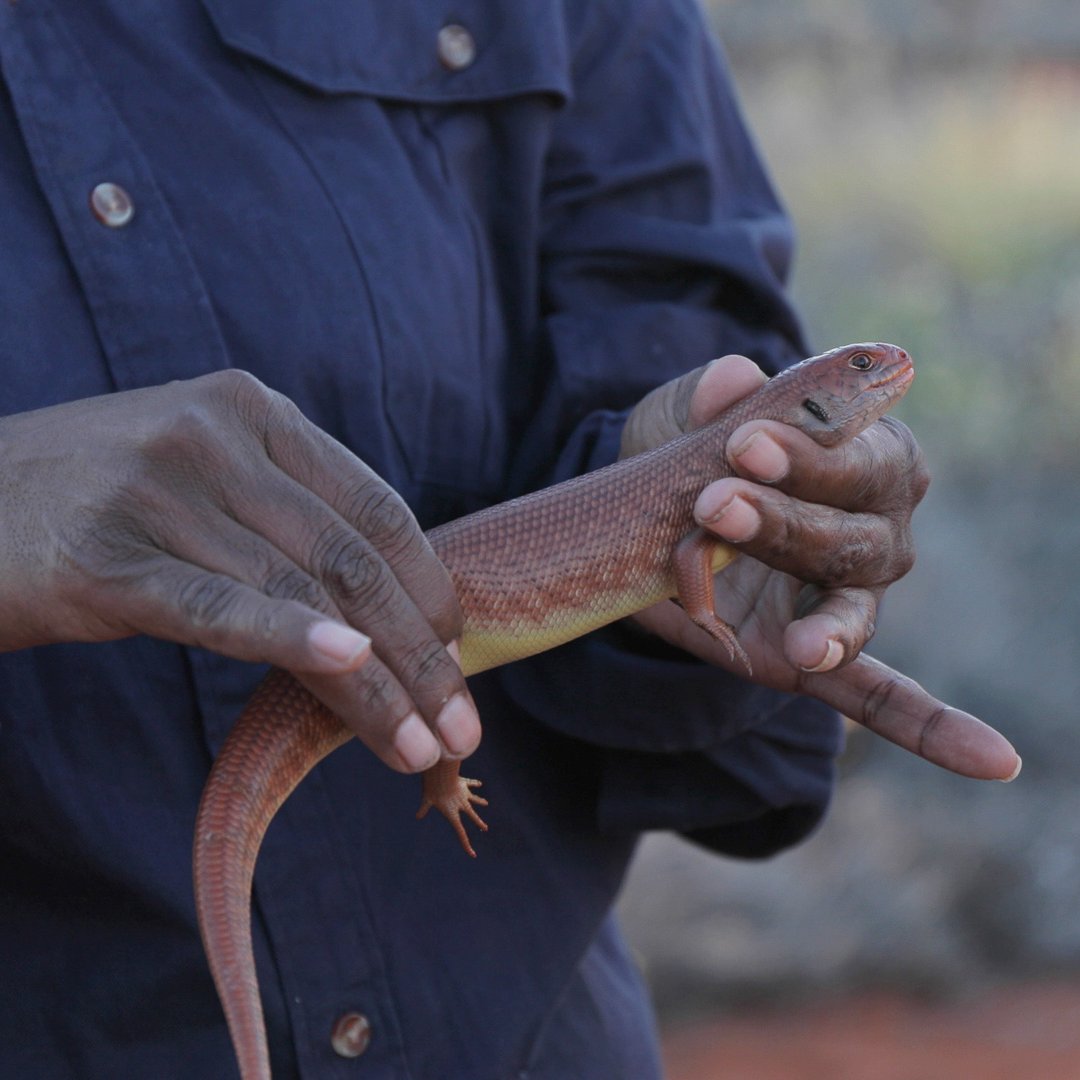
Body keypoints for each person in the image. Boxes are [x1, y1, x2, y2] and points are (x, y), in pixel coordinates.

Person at [0, 2, 1016, 1078]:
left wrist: (728, 540)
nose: (877, 368)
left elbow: (660, 327)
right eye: (857, 365)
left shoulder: (728, 462)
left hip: (526, 1036)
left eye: (860, 370)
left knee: (421, 720)